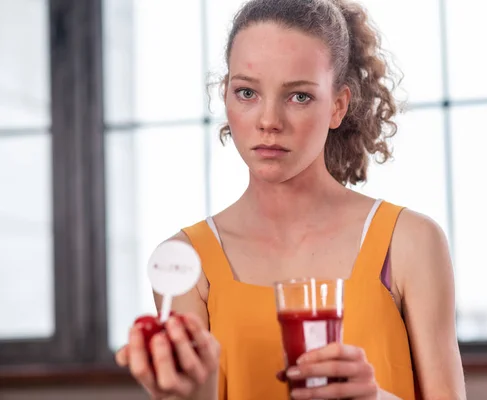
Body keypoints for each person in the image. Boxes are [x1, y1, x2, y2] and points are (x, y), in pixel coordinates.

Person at [115, 0, 466, 399]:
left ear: (338, 106)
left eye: (298, 97)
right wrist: (191, 391)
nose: (269, 121)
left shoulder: (410, 241)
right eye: (246, 92)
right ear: (226, 97)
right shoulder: (184, 261)